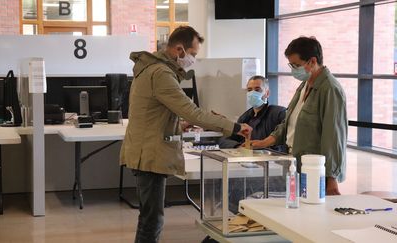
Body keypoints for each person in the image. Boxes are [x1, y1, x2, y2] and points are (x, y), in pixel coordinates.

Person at [120, 26, 252, 243]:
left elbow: (152, 116)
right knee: (152, 220)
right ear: (179, 50)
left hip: (145, 150)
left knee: (149, 216)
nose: (194, 60)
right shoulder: (160, 73)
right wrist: (235, 127)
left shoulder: (151, 68)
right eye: (194, 54)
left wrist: (180, 124)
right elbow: (193, 111)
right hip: (149, 155)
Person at [251, 36, 347, 195]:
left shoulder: (330, 89)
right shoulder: (304, 85)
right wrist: (264, 142)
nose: (293, 70)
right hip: (295, 163)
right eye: (291, 65)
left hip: (315, 168)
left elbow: (333, 137)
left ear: (312, 61)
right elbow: (289, 123)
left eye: (296, 65)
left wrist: (331, 178)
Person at [219, 75, 286, 152]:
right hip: (250, 161)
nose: (252, 93)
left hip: (274, 161)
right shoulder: (245, 117)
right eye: (249, 90)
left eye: (257, 90)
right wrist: (238, 146)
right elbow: (225, 140)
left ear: (267, 93)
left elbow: (285, 138)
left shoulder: (279, 113)